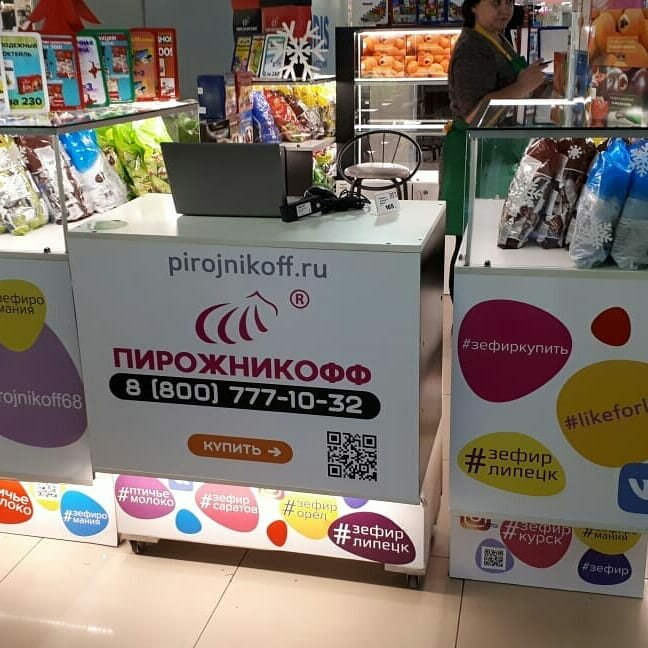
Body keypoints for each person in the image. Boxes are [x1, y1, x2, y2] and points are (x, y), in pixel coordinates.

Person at [440, 0, 546, 297]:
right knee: (470, 245)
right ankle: (465, 313)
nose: (505, 9)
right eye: (495, 2)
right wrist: (522, 86)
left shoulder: (496, 38)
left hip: (493, 153)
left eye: (508, 2)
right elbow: (474, 116)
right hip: (475, 156)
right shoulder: (472, 49)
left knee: (488, 240)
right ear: (473, 6)